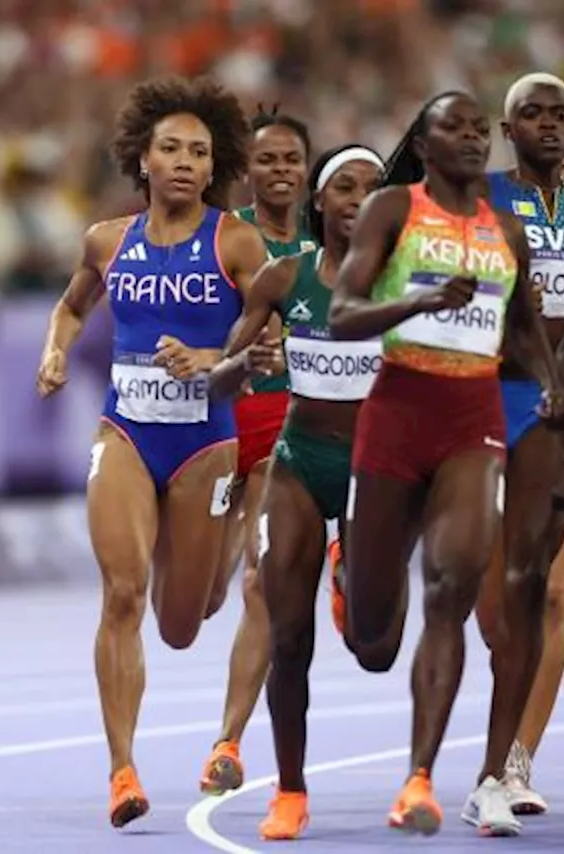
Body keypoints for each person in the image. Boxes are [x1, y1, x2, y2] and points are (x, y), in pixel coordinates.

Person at [328, 90, 564, 835]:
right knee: (373, 639)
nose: (470, 139)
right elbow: (342, 314)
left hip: (474, 419)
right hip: (397, 413)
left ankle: (420, 777)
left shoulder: (506, 232)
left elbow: (525, 329)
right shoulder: (393, 210)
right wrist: (419, 303)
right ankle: (355, 574)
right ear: (423, 145)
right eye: (452, 129)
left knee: (451, 587)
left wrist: (556, 386)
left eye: (476, 129)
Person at [34, 75, 266, 829]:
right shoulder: (108, 240)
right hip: (126, 433)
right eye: (170, 148)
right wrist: (54, 352)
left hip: (206, 443)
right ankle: (122, 770)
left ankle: (230, 538)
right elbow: (72, 308)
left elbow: (274, 334)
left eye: (199, 152)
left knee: (182, 621)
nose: (185, 163)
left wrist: (213, 362)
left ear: (214, 166)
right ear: (142, 159)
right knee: (124, 593)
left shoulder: (235, 240)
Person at [207, 142, 386, 839]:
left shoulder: (406, 281)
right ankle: (289, 789)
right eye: (346, 185)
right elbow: (220, 377)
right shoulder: (283, 278)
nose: (360, 197)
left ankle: (352, 573)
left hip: (376, 472)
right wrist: (239, 365)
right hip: (298, 463)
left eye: (375, 187)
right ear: (320, 200)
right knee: (288, 629)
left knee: (374, 647)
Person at [464, 73, 564, 832]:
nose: (550, 126)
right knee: (494, 614)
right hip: (491, 407)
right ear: (507, 126)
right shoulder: (482, 196)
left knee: (549, 593)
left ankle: (510, 764)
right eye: (533, 114)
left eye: (562, 116)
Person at [200, 106, 316, 797]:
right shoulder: (225, 238)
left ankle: (227, 742)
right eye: (266, 159)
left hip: (292, 425)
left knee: (257, 584)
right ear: (247, 169)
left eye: (290, 159)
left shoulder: (330, 239)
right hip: (222, 423)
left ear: (306, 169)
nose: (279, 171)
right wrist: (231, 353)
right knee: (203, 600)